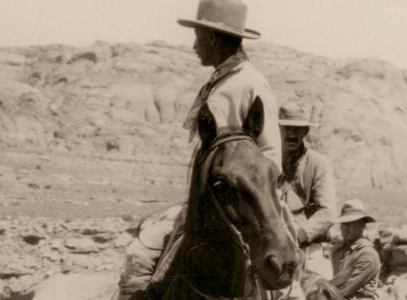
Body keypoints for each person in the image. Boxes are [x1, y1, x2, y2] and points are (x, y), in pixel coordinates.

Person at [115, 0, 284, 298]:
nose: (194, 45)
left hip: (250, 206)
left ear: (212, 38)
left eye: (197, 37)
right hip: (212, 202)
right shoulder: (222, 80)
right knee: (141, 255)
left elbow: (269, 155)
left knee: (282, 273)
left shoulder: (250, 82)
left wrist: (253, 199)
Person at [270, 101, 337, 300]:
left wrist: (297, 234)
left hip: (311, 250)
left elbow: (327, 212)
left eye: (298, 129)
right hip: (273, 251)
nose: (292, 134)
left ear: (306, 131)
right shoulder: (267, 162)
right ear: (277, 129)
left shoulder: (318, 164)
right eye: (287, 128)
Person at [330, 199, 381, 300]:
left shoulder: (367, 254)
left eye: (350, 223)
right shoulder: (338, 250)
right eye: (343, 223)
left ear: (362, 225)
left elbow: (346, 289)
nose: (345, 228)